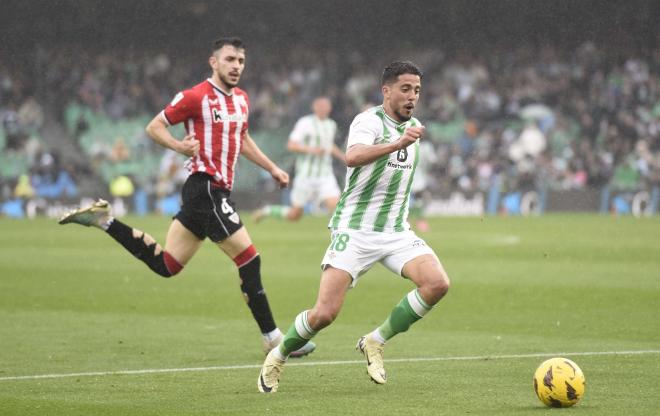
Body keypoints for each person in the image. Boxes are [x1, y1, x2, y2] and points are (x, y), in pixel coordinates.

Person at [59, 37, 315, 358]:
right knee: (249, 258)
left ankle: (104, 220)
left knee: (168, 265)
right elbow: (155, 127)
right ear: (214, 62)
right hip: (206, 187)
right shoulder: (196, 97)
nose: (236, 66)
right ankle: (272, 338)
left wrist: (273, 168)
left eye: (241, 61)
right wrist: (179, 146)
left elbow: (243, 138)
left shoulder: (242, 100)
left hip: (209, 192)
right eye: (230, 59)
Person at [257, 61, 450, 393]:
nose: (412, 96)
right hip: (355, 231)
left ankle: (375, 341)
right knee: (325, 313)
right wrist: (397, 143)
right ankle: (278, 354)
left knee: (437, 284)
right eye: (405, 88)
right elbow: (353, 156)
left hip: (395, 232)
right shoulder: (368, 121)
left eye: (417, 90)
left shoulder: (414, 126)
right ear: (386, 90)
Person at [254, 96, 345, 222]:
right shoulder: (305, 123)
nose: (323, 108)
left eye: (326, 106)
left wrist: (344, 157)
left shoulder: (331, 125)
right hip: (305, 175)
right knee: (295, 215)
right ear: (314, 107)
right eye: (320, 105)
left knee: (337, 209)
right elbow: (291, 145)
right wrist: (312, 150)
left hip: (325, 175)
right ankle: (267, 210)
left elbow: (330, 145)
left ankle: (340, 240)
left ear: (330, 108)